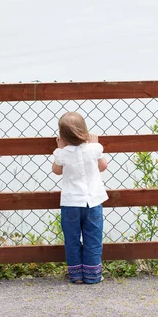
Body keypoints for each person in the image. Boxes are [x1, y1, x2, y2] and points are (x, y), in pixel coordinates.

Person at [52, 111, 108, 284]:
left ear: (62, 136)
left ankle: (76, 275)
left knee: (72, 239)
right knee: (93, 238)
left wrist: (61, 149)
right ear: (85, 131)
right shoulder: (94, 149)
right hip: (92, 202)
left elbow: (56, 171)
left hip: (70, 203)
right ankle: (92, 275)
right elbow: (103, 167)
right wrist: (94, 144)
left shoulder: (62, 153)